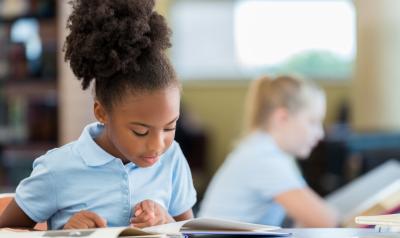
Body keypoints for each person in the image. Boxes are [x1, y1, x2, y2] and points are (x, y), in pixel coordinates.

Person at [0, 0, 196, 230]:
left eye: (169, 127)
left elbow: (190, 231)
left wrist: (167, 222)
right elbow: (6, 231)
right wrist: (63, 234)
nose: (157, 145)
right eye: (140, 131)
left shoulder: (172, 159)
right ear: (101, 112)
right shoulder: (58, 169)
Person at [198, 75, 338, 227]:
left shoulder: (264, 149)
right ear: (282, 118)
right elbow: (326, 221)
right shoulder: (263, 158)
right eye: (312, 122)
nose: (320, 134)